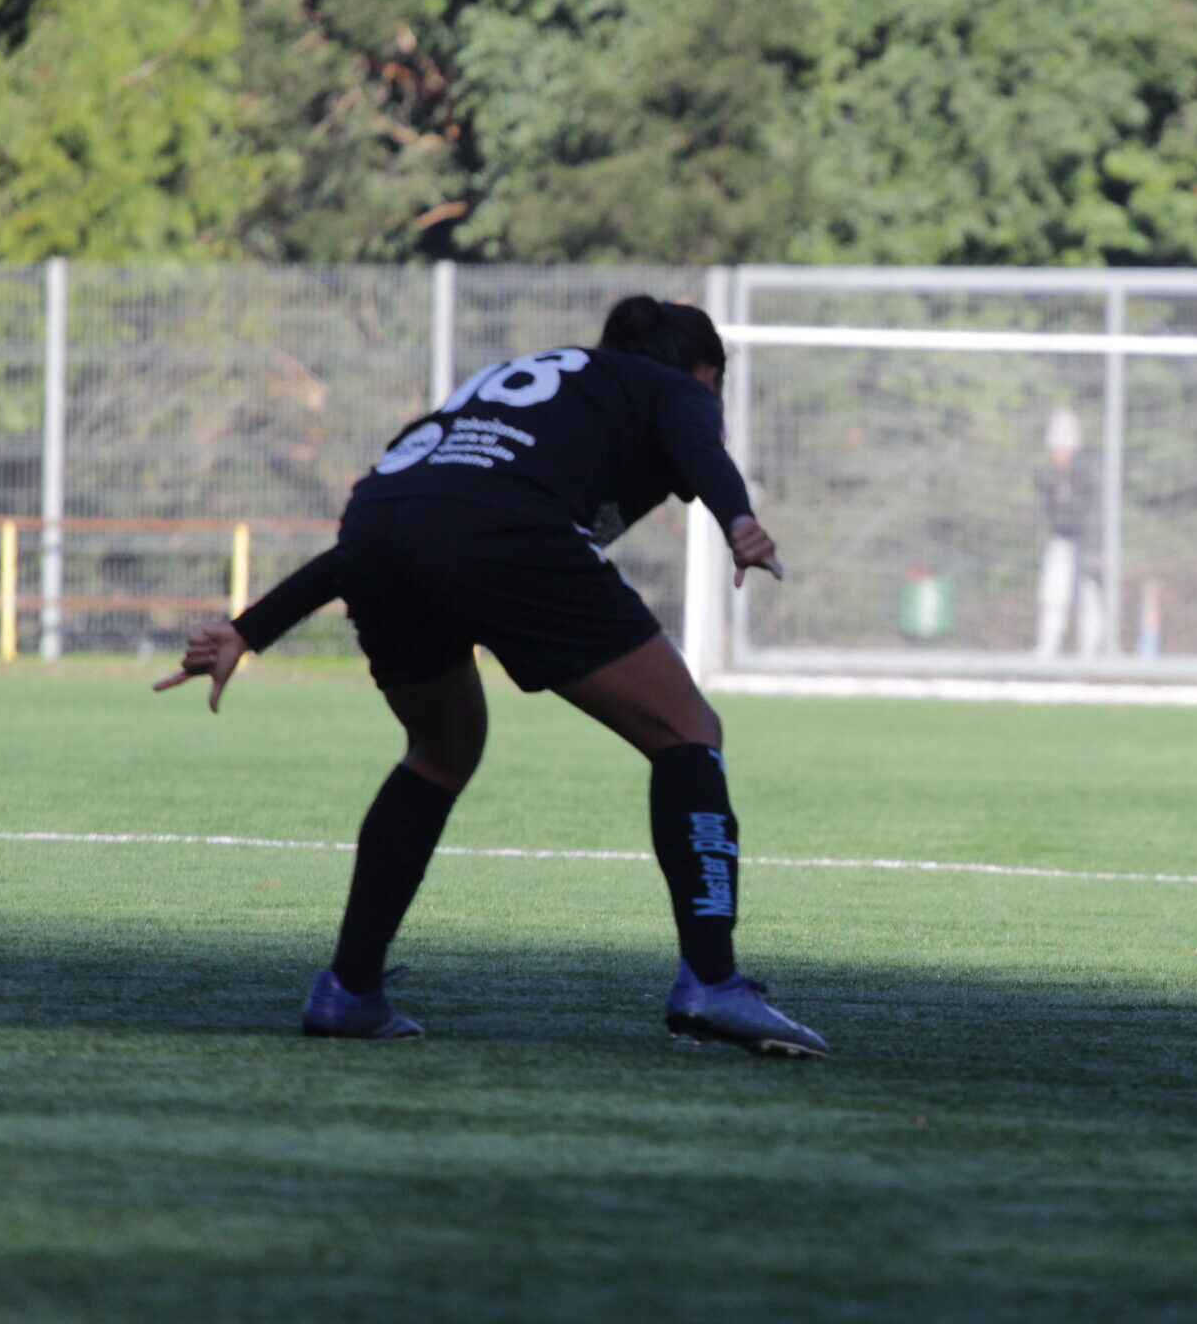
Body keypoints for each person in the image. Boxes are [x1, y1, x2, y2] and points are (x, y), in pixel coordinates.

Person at [155, 296, 828, 1059]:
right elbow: (701, 450)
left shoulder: (548, 388)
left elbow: (418, 506)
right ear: (709, 376)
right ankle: (712, 980)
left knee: (442, 751)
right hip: (501, 530)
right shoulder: (672, 388)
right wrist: (737, 518)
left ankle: (348, 990)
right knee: (687, 730)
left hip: (379, 523)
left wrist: (250, 628)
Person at [1033, 405, 1105, 658]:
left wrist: (1098, 550)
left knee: (1088, 596)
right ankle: (1047, 647)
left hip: (1087, 542)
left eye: (1061, 448)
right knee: (1052, 593)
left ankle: (1089, 651)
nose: (1056, 454)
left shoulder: (1088, 475)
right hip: (1062, 540)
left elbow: (1095, 515)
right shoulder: (1050, 477)